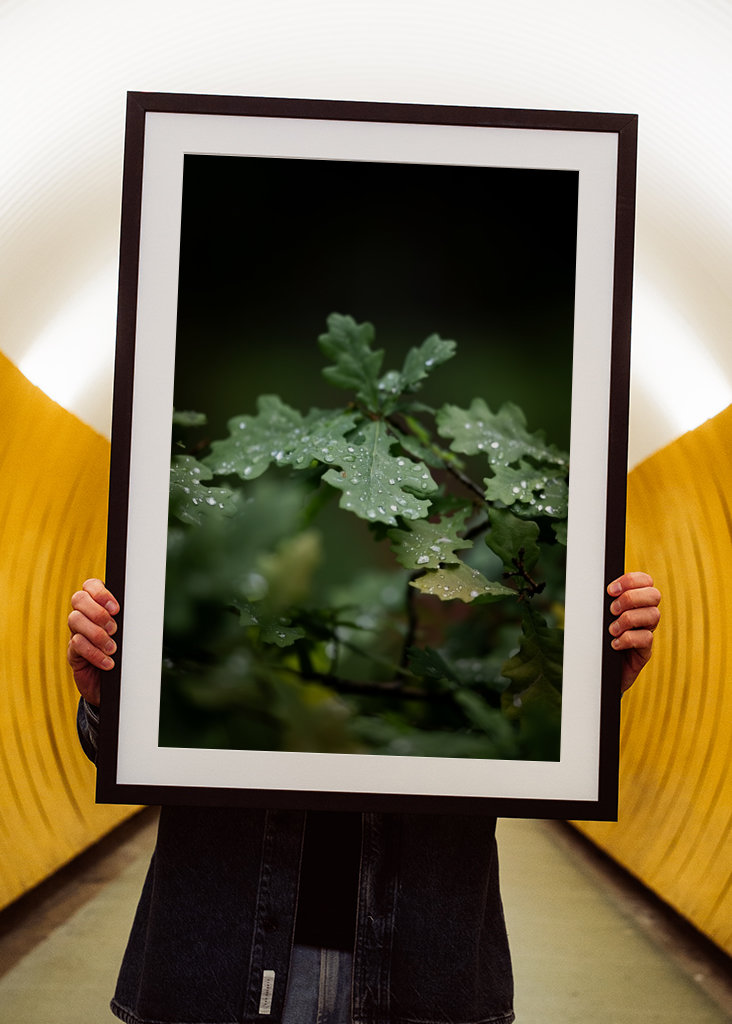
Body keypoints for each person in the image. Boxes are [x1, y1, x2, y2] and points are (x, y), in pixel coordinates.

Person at [68, 572, 660, 1024]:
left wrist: (583, 695)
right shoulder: (216, 595)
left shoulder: (464, 632)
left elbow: (513, 739)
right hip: (219, 958)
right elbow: (133, 749)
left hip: (422, 965)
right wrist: (110, 701)